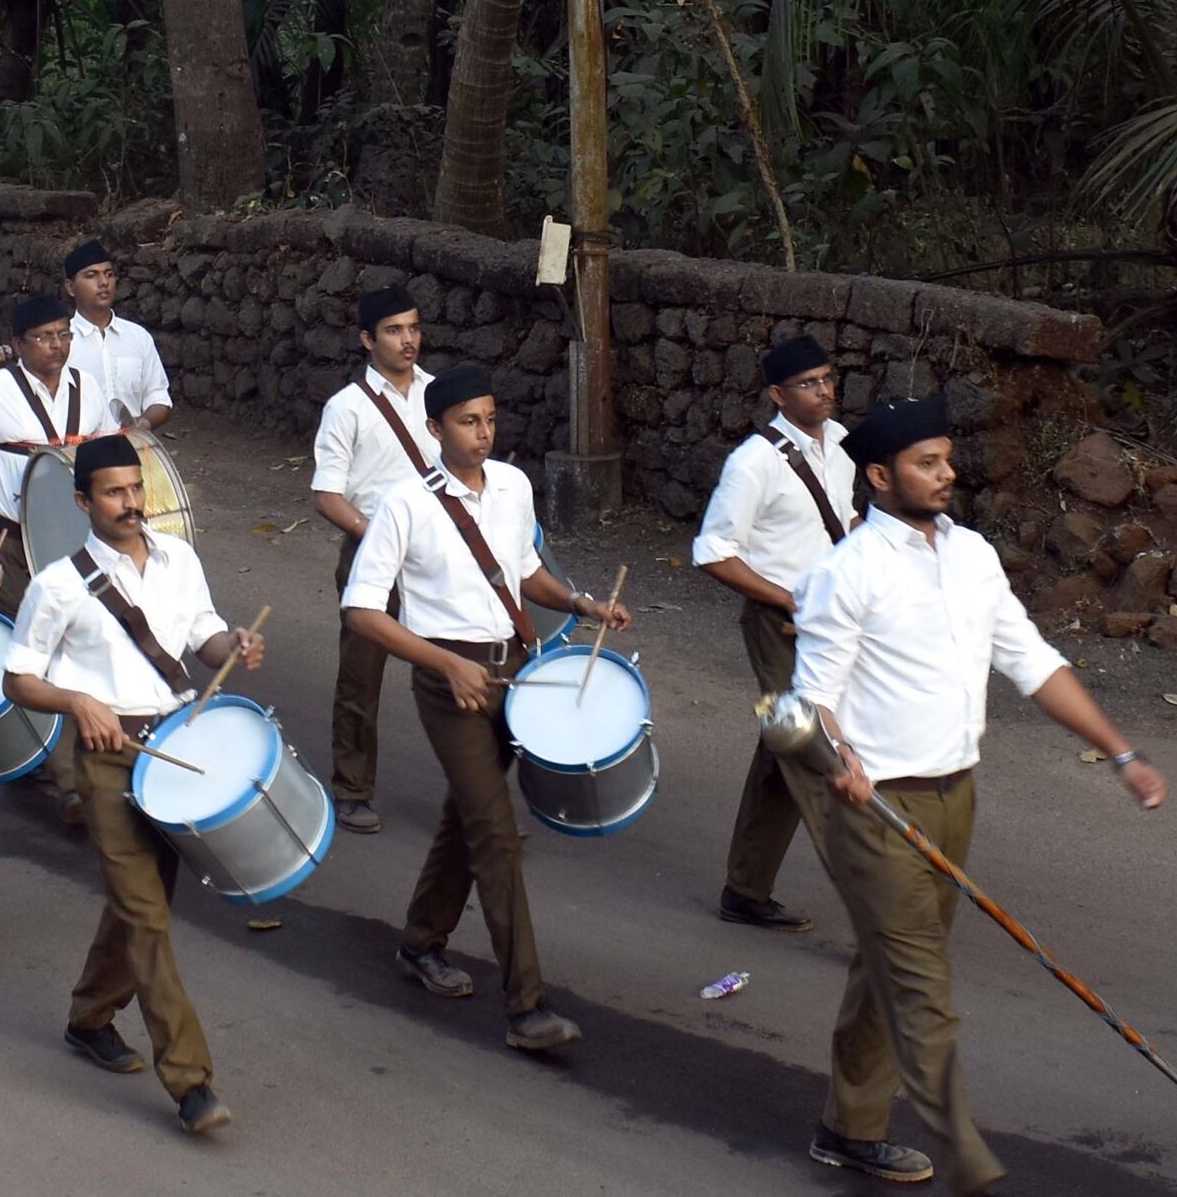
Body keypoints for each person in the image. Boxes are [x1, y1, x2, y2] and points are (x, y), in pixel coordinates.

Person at [786, 396, 1166, 1195]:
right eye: (929, 463)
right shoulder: (845, 572)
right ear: (881, 475)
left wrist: (1119, 750)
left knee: (887, 967)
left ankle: (846, 1128)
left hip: (956, 793)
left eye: (948, 459)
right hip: (875, 807)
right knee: (921, 982)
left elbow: (1034, 661)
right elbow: (807, 701)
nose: (948, 473)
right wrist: (838, 758)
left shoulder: (973, 557)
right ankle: (970, 1165)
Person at [340, 365, 626, 1051]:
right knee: (496, 833)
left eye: (491, 419)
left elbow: (522, 571)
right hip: (449, 682)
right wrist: (443, 663)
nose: (484, 432)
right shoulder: (403, 505)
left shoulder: (514, 487)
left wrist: (582, 603)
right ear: (435, 429)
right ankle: (527, 1007)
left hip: (515, 671)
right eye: (469, 421)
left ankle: (420, 941)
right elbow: (360, 610)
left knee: (466, 818)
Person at [3, 433, 262, 1135]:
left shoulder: (179, 558)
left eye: (134, 488)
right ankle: (191, 1081)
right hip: (109, 759)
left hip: (177, 747)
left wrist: (232, 643)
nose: (129, 504)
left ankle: (89, 1015)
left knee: (138, 903)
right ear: (83, 501)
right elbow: (17, 676)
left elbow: (201, 634)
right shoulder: (58, 583)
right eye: (113, 493)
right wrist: (77, 702)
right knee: (148, 916)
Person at [692, 335, 857, 932]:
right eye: (809, 384)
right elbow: (713, 552)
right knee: (816, 754)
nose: (825, 390)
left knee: (781, 755)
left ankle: (745, 890)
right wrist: (790, 599)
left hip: (834, 624)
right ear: (777, 395)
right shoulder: (753, 462)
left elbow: (839, 520)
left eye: (828, 378)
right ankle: (879, 910)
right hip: (779, 628)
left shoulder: (840, 447)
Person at [0, 293, 106, 821]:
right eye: (44, 337)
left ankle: (69, 760)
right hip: (10, 543)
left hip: (79, 544)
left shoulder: (90, 389)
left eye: (64, 335)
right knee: (33, 650)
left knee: (77, 646)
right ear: (17, 345)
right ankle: (66, 778)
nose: (57, 346)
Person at [309, 286, 437, 834]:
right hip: (371, 555)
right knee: (361, 676)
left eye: (412, 327)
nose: (407, 339)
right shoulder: (347, 408)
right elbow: (328, 496)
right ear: (367, 339)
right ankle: (353, 789)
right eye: (393, 330)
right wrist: (377, 533)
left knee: (466, 667)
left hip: (438, 553)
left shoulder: (440, 394)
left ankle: (477, 800)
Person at [62, 241, 173, 430]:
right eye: (91, 275)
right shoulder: (60, 342)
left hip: (131, 449)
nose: (104, 282)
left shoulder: (138, 337)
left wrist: (144, 423)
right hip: (77, 452)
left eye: (109, 274)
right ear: (71, 287)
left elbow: (158, 396)